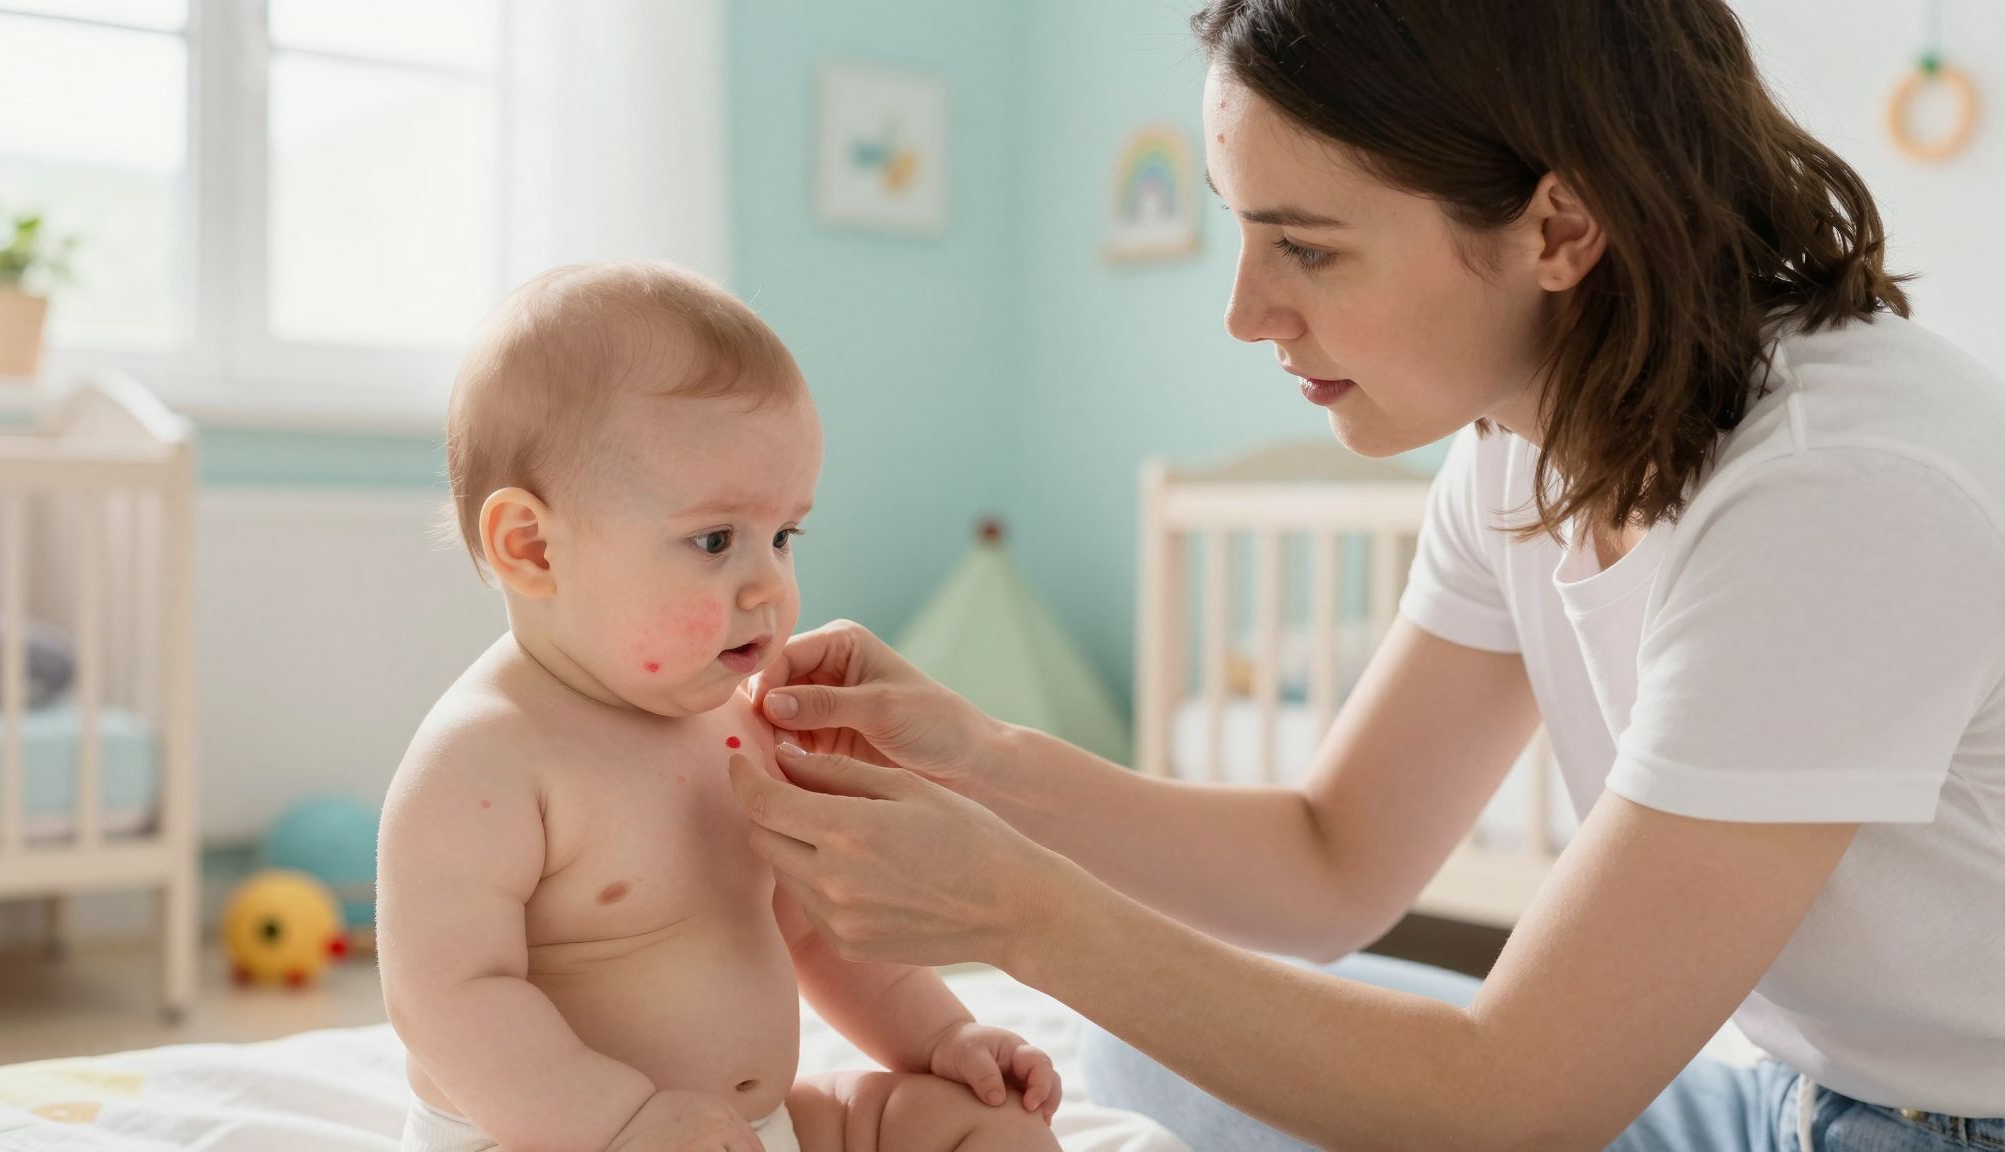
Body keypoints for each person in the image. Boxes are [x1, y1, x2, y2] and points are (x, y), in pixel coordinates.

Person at [726, 2, 2005, 1149]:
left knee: (1133, 994)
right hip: (1789, 1099)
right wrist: (980, 761)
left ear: (1558, 227)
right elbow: (1333, 860)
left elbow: (1519, 1099)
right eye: (1245, 236)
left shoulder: (1836, 492)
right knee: (1141, 1040)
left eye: (1308, 249)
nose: (1244, 311)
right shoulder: (1518, 448)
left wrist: (1025, 917)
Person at [377, 262, 1064, 1152]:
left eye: (783, 536)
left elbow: (818, 927)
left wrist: (942, 1038)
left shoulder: (738, 725)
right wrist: (616, 1122)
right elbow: (445, 997)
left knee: (976, 1126)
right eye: (715, 540)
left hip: (753, 1128)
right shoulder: (486, 760)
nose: (769, 584)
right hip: (557, 1138)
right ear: (532, 548)